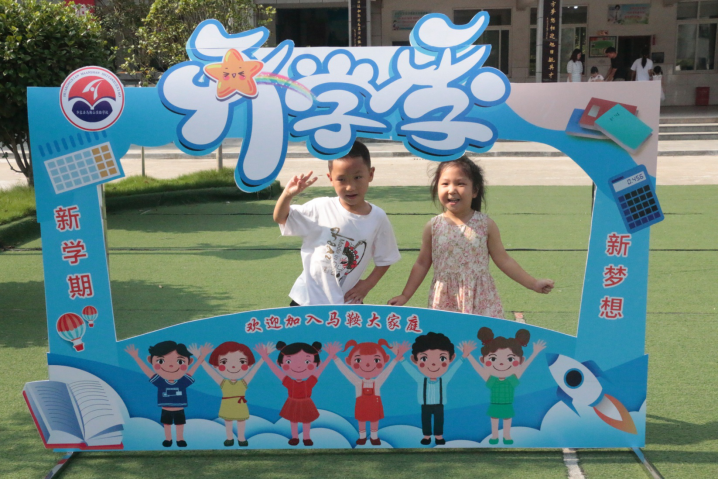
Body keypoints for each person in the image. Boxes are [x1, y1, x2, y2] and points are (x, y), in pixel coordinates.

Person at [388, 156, 554, 316]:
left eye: (460, 183)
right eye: (445, 184)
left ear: (475, 190)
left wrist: (533, 283)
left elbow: (504, 260)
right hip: (445, 300)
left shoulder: (485, 225)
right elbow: (422, 264)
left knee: (483, 335)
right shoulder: (433, 226)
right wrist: (405, 295)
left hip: (481, 299)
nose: (452, 190)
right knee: (447, 335)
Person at [273, 140, 401, 306]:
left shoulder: (377, 217)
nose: (350, 187)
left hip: (347, 302)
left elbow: (386, 258)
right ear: (330, 178)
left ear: (370, 174)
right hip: (306, 299)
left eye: (358, 177)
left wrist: (367, 285)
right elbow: (281, 218)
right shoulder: (320, 207)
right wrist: (287, 195)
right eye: (341, 179)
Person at [461, 327, 546, 445]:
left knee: (507, 420)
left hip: (507, 404)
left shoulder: (511, 380)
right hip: (495, 404)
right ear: (482, 360)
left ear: (521, 360)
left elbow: (523, 368)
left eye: (510, 359)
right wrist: (469, 356)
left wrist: (535, 353)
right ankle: (495, 436)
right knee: (494, 420)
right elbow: (479, 369)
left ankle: (507, 436)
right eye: (493, 358)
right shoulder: (492, 380)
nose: (501, 363)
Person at [125, 341, 211, 448]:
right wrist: (136, 357)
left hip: (179, 409)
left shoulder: (182, 382)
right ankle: (168, 439)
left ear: (189, 362)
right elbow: (148, 372)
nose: (171, 365)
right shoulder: (160, 382)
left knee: (180, 424)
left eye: (180, 361)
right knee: (167, 425)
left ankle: (180, 439)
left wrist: (203, 355)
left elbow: (193, 369)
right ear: (150, 360)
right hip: (166, 409)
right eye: (161, 361)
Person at [255, 341, 340, 446]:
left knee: (306, 421)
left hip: (306, 403)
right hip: (293, 403)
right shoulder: (289, 382)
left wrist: (330, 356)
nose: (298, 366)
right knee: (293, 421)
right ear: (279, 363)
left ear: (317, 363)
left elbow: (321, 370)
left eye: (307, 361)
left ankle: (306, 437)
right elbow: (276, 371)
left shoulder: (309, 382)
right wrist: (265, 357)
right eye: (289, 361)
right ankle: (295, 437)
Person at [332, 339, 410, 445]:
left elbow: (387, 371)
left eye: (376, 360)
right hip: (361, 406)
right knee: (361, 421)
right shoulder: (357, 382)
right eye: (358, 360)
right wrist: (335, 358)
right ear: (349, 361)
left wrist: (397, 358)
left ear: (384, 360)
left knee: (374, 421)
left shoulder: (377, 382)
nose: (368, 365)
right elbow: (346, 371)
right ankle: (362, 437)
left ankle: (374, 437)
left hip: (374, 405)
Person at [398, 332, 469, 445]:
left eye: (442, 358)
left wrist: (463, 357)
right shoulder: (421, 379)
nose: (433, 364)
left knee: (439, 420)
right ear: (415, 360)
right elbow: (410, 370)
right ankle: (426, 436)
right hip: (425, 405)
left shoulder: (443, 380)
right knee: (425, 420)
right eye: (424, 358)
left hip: (439, 405)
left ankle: (438, 436)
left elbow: (453, 369)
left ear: (451, 359)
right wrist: (401, 358)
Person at [191, 342, 265, 447]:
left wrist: (263, 358)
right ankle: (229, 438)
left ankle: (241, 438)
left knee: (241, 421)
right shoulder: (223, 382)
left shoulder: (243, 382)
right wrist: (200, 357)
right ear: (216, 366)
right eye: (224, 362)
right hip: (227, 404)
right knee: (228, 422)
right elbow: (210, 371)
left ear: (249, 365)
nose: (233, 366)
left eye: (242, 361)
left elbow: (254, 370)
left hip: (240, 405)